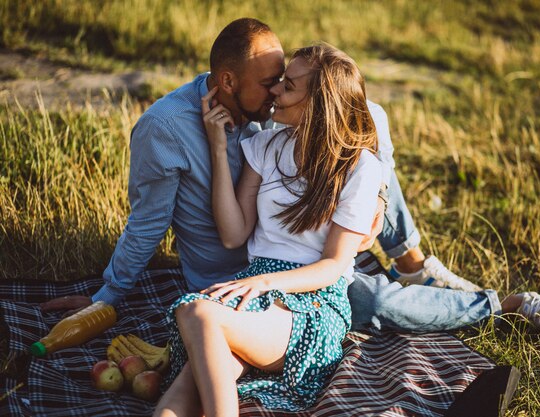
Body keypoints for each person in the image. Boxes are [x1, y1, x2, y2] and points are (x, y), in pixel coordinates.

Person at [39, 18, 540, 345]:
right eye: (269, 83)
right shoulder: (168, 131)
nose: (277, 91)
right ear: (228, 82)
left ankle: (417, 263)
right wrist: (105, 297)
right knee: (372, 303)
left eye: (285, 82)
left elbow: (360, 120)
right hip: (243, 271)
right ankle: (501, 304)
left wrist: (369, 198)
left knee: (359, 137)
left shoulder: (272, 123)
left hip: (312, 258)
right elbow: (147, 225)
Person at [155, 43, 381, 416]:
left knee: (197, 312)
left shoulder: (358, 168)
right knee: (183, 394)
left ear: (318, 105)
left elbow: (334, 265)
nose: (275, 90)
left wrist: (265, 283)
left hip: (312, 301)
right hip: (253, 289)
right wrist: (216, 147)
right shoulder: (266, 146)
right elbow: (234, 233)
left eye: (288, 86)